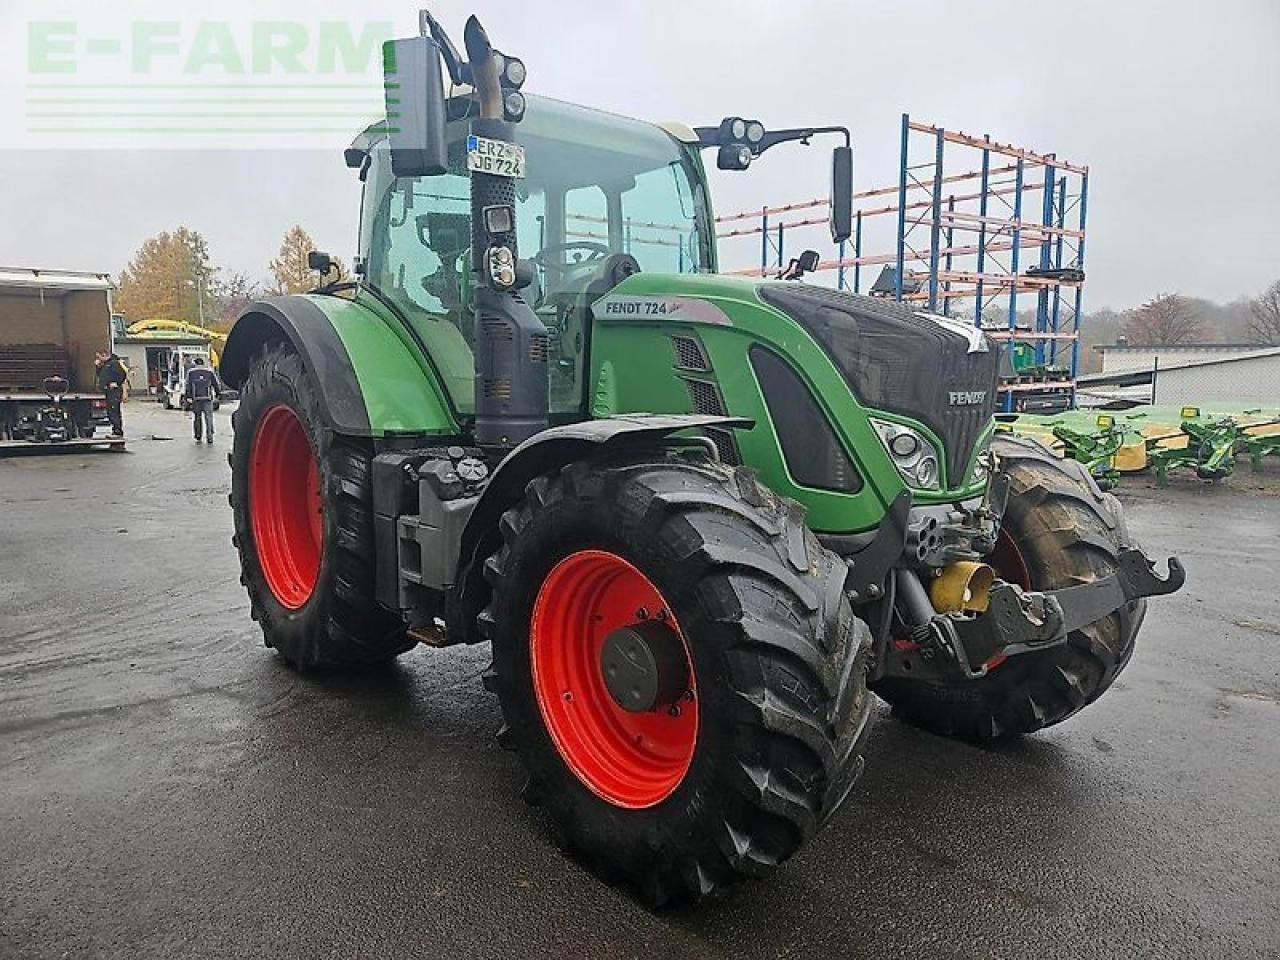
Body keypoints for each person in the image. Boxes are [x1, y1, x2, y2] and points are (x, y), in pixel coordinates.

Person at [185, 355, 218, 444]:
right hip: (207, 398)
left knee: (197, 418)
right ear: (203, 363)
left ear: (195, 364)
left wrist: (187, 397)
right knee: (209, 418)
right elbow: (216, 384)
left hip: (196, 399)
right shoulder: (209, 372)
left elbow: (187, 385)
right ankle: (210, 437)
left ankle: (198, 436)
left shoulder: (191, 372)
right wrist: (217, 395)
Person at [94, 349, 126, 437]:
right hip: (108, 390)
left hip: (114, 391)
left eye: (99, 357)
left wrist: (117, 382)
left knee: (114, 410)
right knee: (110, 411)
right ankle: (114, 430)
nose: (98, 359)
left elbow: (123, 374)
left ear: (104, 355)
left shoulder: (114, 363)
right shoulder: (105, 365)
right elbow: (100, 375)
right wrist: (98, 367)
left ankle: (117, 431)